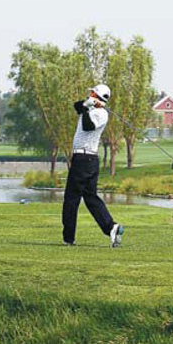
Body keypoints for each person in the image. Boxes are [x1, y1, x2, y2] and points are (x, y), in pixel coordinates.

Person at [62, 84, 125, 247]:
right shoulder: (92, 109)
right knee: (90, 198)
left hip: (83, 160)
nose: (89, 94)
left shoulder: (101, 114)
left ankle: (68, 238)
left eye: (92, 93)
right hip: (88, 160)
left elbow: (87, 126)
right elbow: (77, 106)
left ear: (97, 95)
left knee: (71, 198)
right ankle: (111, 227)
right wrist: (85, 105)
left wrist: (87, 108)